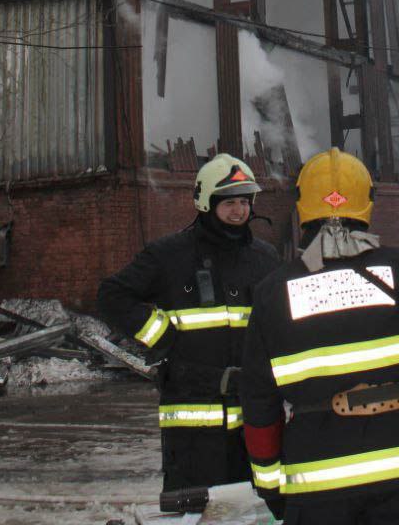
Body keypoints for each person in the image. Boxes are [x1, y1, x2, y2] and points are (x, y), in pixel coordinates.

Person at [240, 146, 399, 523]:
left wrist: (271, 485)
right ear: (367, 204)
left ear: (303, 206)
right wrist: (381, 256)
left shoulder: (273, 291)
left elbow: (258, 400)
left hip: (319, 481)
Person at [98, 154, 279, 494]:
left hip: (252, 419)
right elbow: (112, 296)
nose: (239, 211)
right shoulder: (170, 255)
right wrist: (160, 334)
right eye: (229, 202)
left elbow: (280, 320)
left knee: (255, 510)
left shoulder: (265, 258)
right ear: (206, 202)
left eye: (244, 201)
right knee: (194, 512)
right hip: (193, 426)